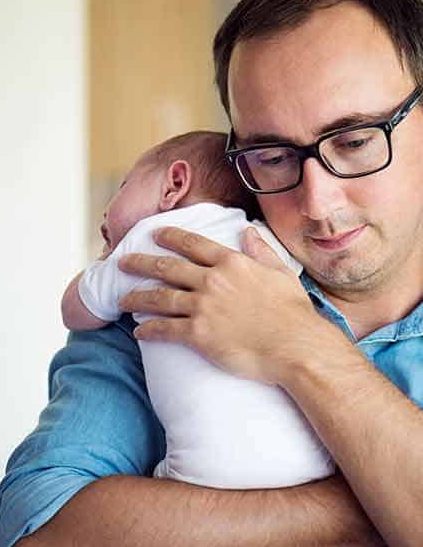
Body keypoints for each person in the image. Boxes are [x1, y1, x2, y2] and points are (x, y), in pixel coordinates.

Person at [0, 0, 423, 547]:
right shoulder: (166, 293)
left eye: (355, 140)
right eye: (272, 156)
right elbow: (36, 528)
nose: (319, 201)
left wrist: (300, 346)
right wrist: (362, 503)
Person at [60, 130, 335, 489]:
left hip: (206, 474)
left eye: (123, 186)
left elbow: (75, 311)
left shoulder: (145, 241)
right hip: (313, 462)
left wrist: (101, 265)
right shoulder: (261, 240)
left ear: (173, 184)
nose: (106, 209)